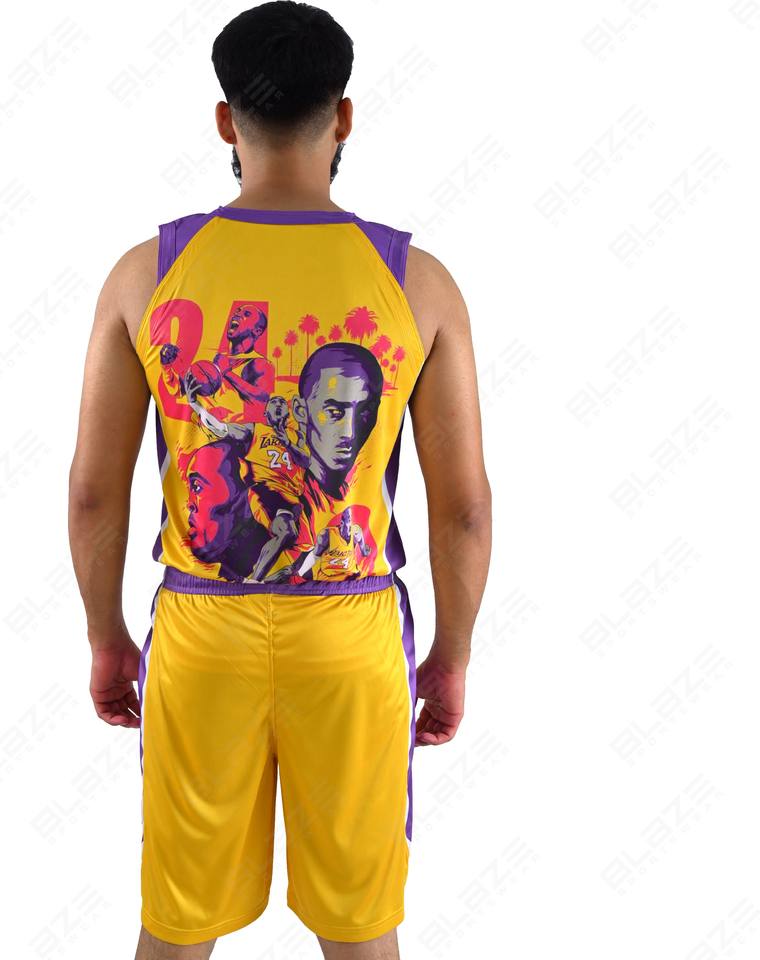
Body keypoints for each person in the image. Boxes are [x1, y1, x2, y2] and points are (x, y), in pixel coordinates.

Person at [67, 3, 492, 958]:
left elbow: (94, 491)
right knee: (361, 929)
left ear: (227, 120)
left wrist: (105, 636)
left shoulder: (145, 273)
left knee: (175, 926)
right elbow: (463, 508)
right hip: (350, 633)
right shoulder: (418, 282)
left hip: (201, 629)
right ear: (343, 116)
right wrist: (452, 656)